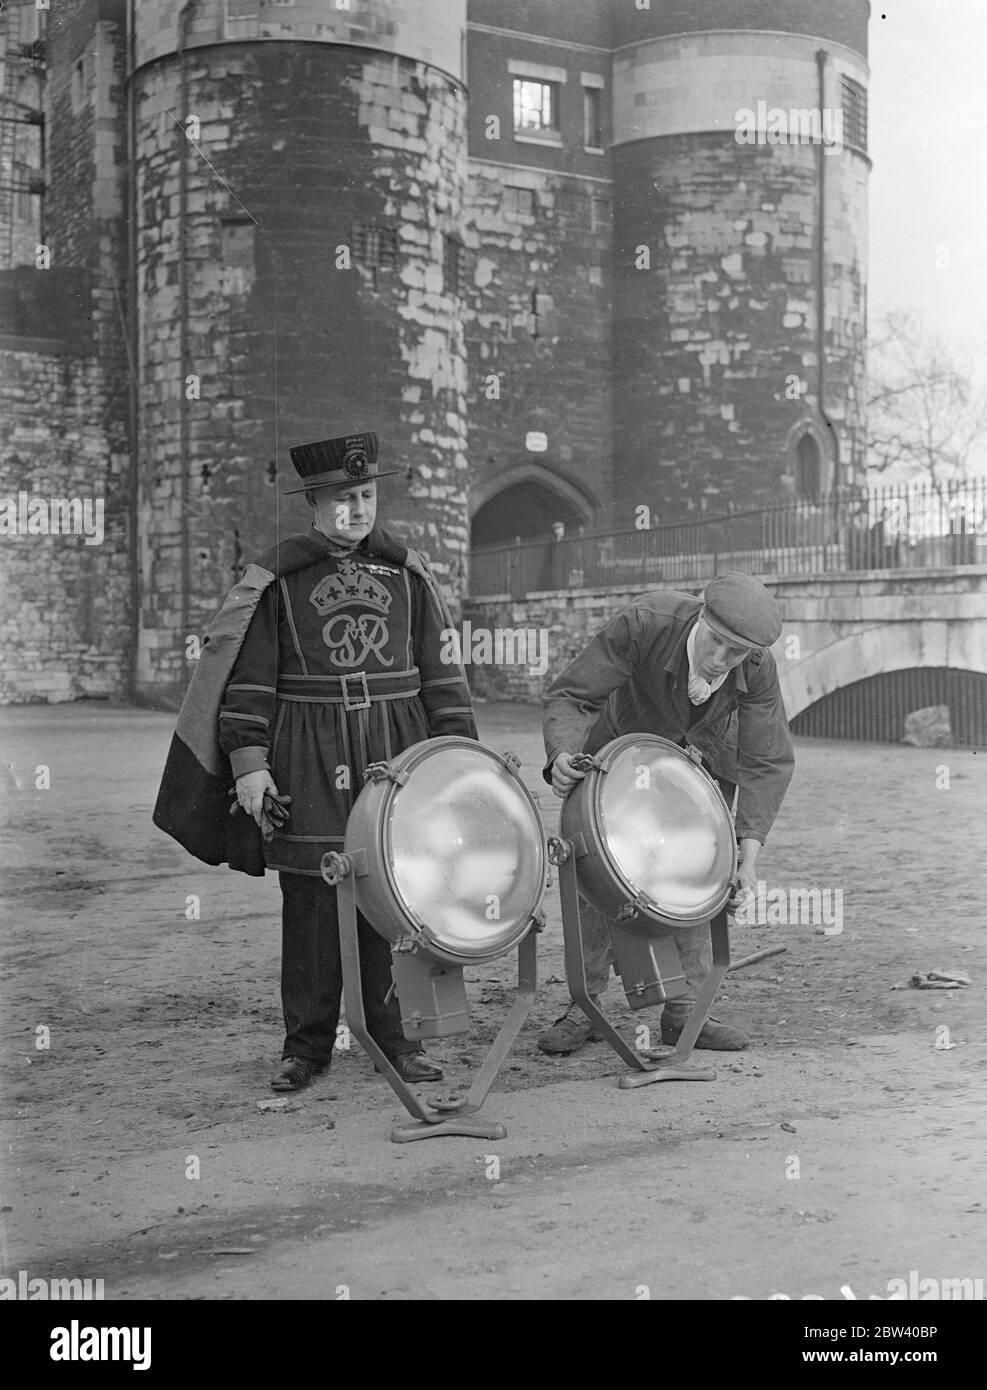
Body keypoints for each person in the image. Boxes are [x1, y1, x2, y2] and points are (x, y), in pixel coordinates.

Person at [154, 431, 477, 1092]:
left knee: (397, 893)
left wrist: (458, 760)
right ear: (315, 503)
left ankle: (397, 1041)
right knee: (310, 899)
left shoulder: (406, 575)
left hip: (396, 747)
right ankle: (305, 1048)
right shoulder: (280, 579)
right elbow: (248, 680)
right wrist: (249, 763)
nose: (356, 511)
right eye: (342, 499)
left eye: (365, 496)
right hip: (308, 749)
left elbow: (441, 673)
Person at [538, 571, 794, 1055]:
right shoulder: (645, 622)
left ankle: (686, 1010)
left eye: (734, 652)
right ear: (701, 616)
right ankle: (584, 1005)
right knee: (594, 872)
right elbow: (573, 695)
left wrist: (747, 855)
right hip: (618, 759)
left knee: (697, 871)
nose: (720, 660)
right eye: (714, 642)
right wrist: (560, 756)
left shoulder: (757, 665)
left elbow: (767, 759)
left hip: (697, 769)